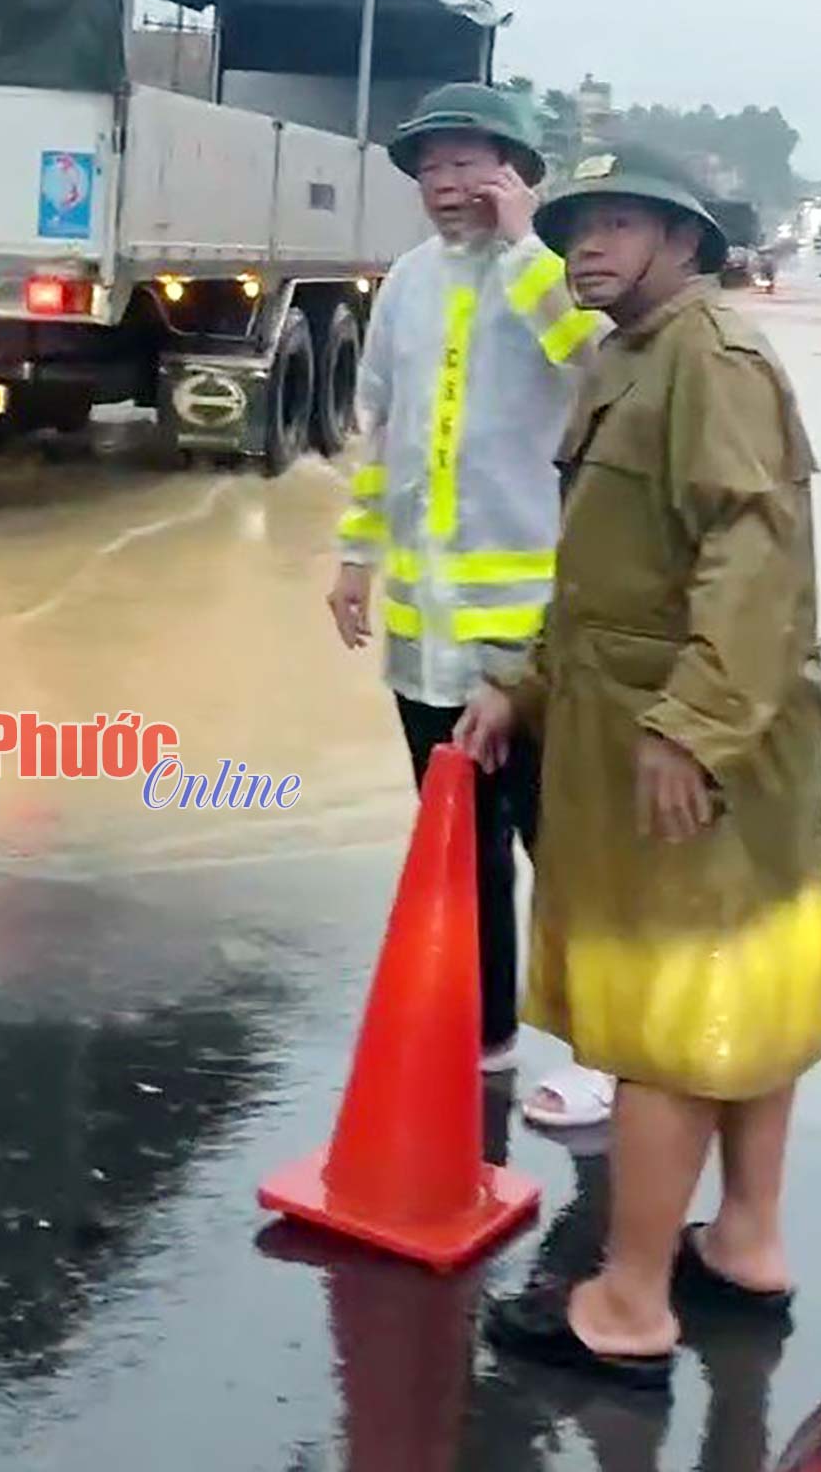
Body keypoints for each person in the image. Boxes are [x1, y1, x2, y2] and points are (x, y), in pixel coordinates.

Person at [457, 145, 821, 1388]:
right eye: (576, 223)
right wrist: (519, 683)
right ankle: (742, 1240)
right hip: (672, 722)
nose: (586, 244)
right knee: (748, 987)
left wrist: (689, 724)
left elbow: (752, 555)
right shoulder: (630, 358)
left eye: (621, 223)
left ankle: (628, 1300)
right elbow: (601, 573)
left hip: (686, 737)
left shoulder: (710, 359)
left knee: (667, 1021)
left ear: (685, 244)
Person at [326, 81, 612, 1125]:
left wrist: (529, 244)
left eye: (470, 162)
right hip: (422, 631)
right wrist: (354, 557)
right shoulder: (403, 282)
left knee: (560, 840)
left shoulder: (553, 278)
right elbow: (381, 429)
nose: (448, 184)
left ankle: (603, 1048)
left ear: (516, 170)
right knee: (457, 840)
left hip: (528, 634)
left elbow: (597, 365)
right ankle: (488, 1032)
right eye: (432, 166)